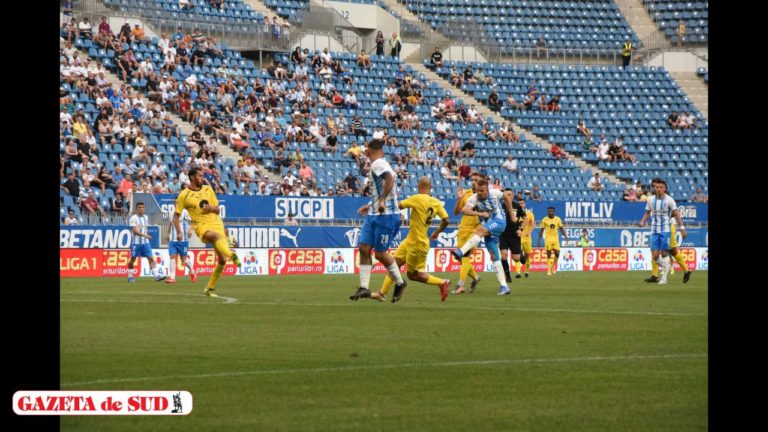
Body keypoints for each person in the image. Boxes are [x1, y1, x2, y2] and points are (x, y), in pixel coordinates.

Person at [366, 177, 451, 303]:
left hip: (418, 243)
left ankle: (442, 282)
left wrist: (376, 207)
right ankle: (382, 293)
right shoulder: (436, 202)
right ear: (431, 188)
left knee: (413, 275)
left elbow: (397, 206)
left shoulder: (417, 198)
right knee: (393, 265)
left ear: (418, 186)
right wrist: (437, 232)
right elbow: (446, 220)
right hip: (411, 240)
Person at [349, 139, 407, 301]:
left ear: (368, 152)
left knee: (380, 254)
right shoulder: (381, 163)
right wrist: (370, 205)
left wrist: (381, 201)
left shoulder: (378, 163)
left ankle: (400, 282)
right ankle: (364, 288)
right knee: (364, 248)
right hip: (374, 214)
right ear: (381, 151)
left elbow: (390, 180)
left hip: (387, 215)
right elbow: (384, 186)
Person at [173, 167, 241, 297]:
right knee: (215, 236)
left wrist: (211, 208)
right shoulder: (183, 195)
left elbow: (217, 209)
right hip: (202, 226)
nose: (202, 178)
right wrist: (179, 231)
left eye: (202, 175)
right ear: (192, 177)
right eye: (199, 175)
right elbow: (176, 216)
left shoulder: (208, 189)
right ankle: (232, 254)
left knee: (221, 261)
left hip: (217, 223)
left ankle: (209, 288)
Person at [451, 178, 513, 296]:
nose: (480, 193)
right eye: (478, 190)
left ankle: (461, 252)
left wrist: (511, 215)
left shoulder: (494, 193)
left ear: (487, 190)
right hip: (489, 226)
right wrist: (479, 213)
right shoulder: (473, 197)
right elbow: (464, 210)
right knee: (494, 256)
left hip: (499, 221)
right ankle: (504, 286)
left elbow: (506, 196)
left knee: (480, 230)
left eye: (482, 191)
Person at [638, 178, 687, 285]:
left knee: (665, 253)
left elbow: (677, 214)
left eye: (661, 187)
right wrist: (642, 221)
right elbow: (647, 212)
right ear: (654, 188)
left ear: (665, 189)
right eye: (657, 187)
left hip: (665, 229)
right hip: (654, 230)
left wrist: (682, 229)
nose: (659, 189)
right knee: (655, 256)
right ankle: (667, 266)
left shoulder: (669, 200)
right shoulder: (650, 200)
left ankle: (664, 278)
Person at [451, 173, 483, 294]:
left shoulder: (484, 195)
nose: (474, 182)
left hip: (475, 230)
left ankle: (460, 285)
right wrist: (459, 199)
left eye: (477, 180)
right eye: (473, 180)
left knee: (464, 256)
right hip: (463, 229)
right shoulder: (466, 193)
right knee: (462, 258)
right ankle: (475, 277)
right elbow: (456, 212)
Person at [127, 202, 166, 283]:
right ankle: (130, 276)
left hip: (145, 243)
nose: (141, 209)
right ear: (136, 208)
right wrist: (145, 235)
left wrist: (146, 235)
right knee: (133, 260)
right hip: (136, 243)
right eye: (139, 207)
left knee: (151, 258)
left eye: (142, 207)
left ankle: (156, 276)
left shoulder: (146, 217)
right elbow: (135, 231)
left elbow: (145, 228)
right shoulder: (133, 218)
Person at [499, 189, 527, 283]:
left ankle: (521, 254)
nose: (508, 196)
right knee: (503, 256)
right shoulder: (499, 207)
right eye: (506, 195)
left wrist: (521, 229)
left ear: (513, 195)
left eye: (510, 195)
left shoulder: (517, 206)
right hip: (503, 235)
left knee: (516, 258)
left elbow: (525, 218)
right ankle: (507, 276)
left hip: (514, 235)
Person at [166, 208, 196, 284]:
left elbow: (194, 221)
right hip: (173, 240)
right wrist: (168, 233)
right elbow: (170, 223)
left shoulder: (185, 212)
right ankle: (172, 278)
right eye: (175, 203)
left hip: (183, 240)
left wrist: (190, 229)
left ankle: (192, 271)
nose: (176, 205)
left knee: (184, 259)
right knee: (172, 256)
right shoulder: (172, 212)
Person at [537, 207, 568, 276]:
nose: (550, 212)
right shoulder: (544, 220)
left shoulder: (558, 219)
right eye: (549, 211)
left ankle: (553, 265)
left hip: (555, 239)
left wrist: (565, 236)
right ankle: (548, 270)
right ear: (547, 212)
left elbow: (561, 228)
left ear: (554, 212)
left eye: (551, 211)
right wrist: (539, 239)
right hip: (548, 239)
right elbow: (541, 230)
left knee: (557, 253)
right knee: (548, 254)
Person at [513, 198, 535, 278]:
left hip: (527, 237)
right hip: (518, 237)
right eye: (519, 203)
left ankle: (526, 271)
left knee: (527, 255)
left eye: (522, 203)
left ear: (525, 204)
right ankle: (518, 272)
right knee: (517, 254)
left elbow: (533, 224)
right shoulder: (514, 213)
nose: (520, 205)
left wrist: (529, 232)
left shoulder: (529, 214)